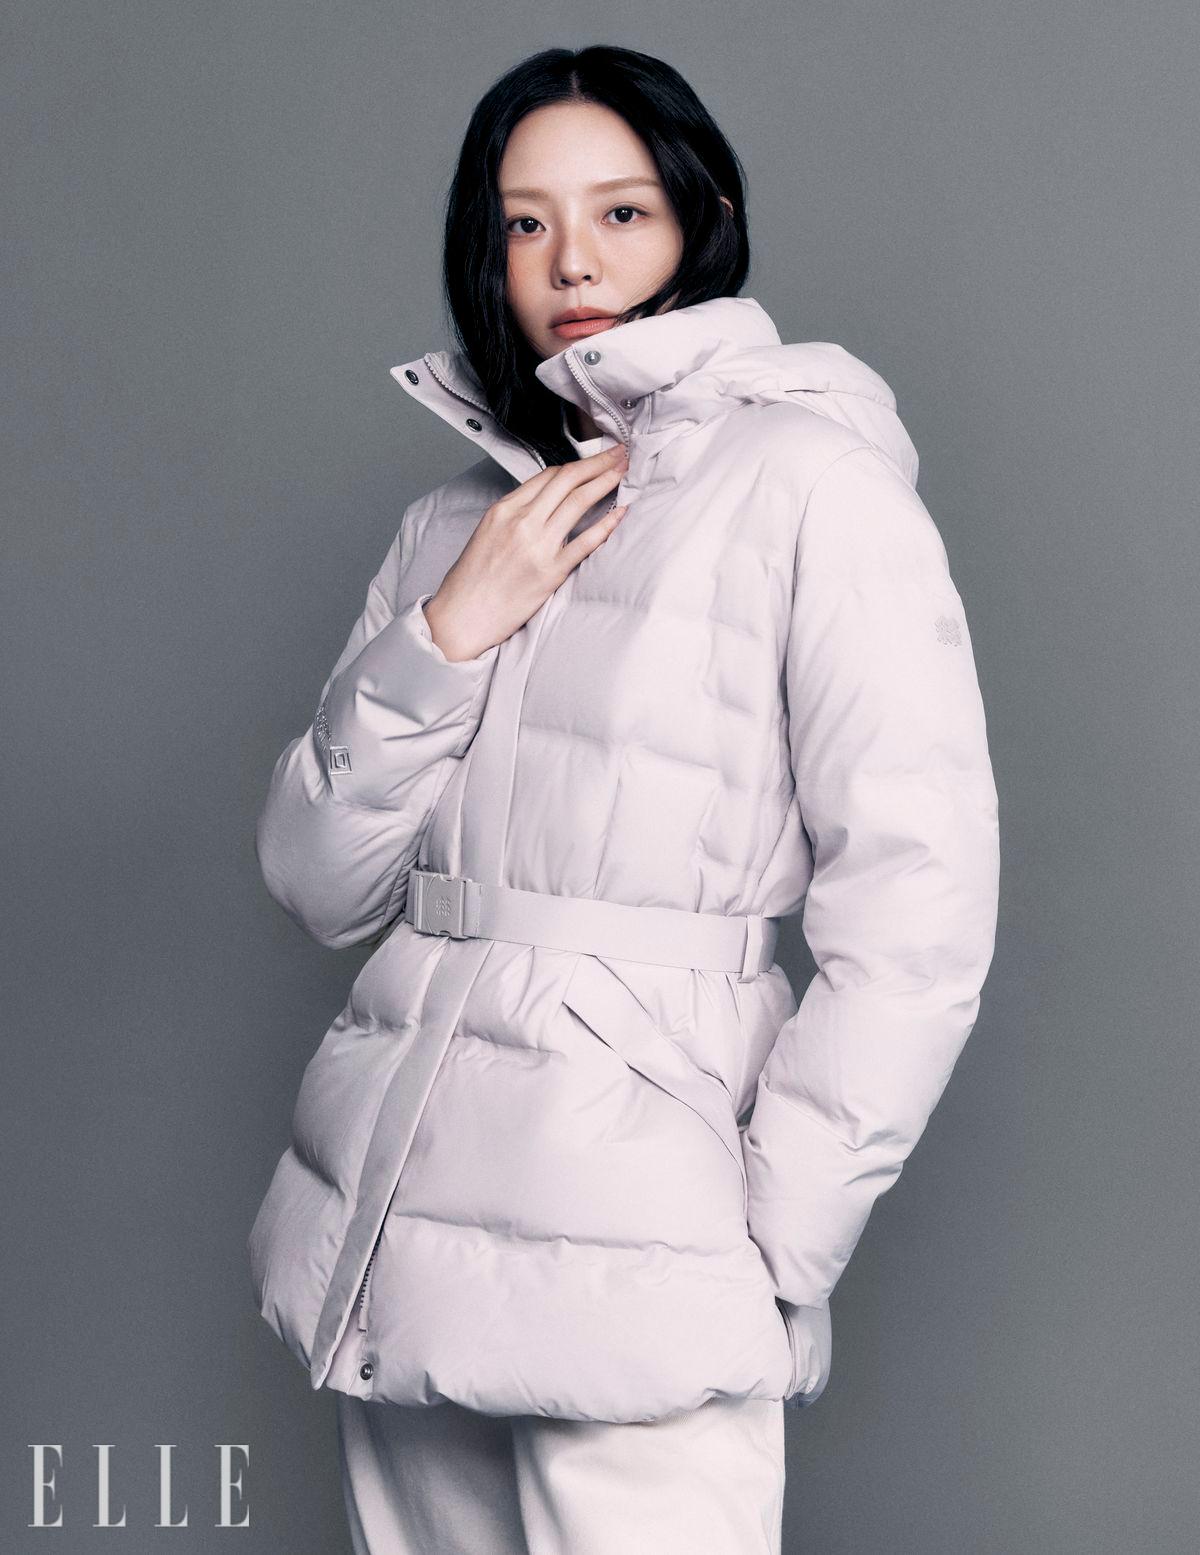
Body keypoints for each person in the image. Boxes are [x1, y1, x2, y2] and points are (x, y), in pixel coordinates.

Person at [246, 43, 1001, 1555]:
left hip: (654, 1242)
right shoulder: (451, 526)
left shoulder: (809, 483)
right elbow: (319, 883)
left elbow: (917, 914)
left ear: (701, 219)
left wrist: (779, 1242)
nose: (572, 263)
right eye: (525, 222)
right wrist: (448, 630)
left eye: (620, 213)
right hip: (400, 1235)